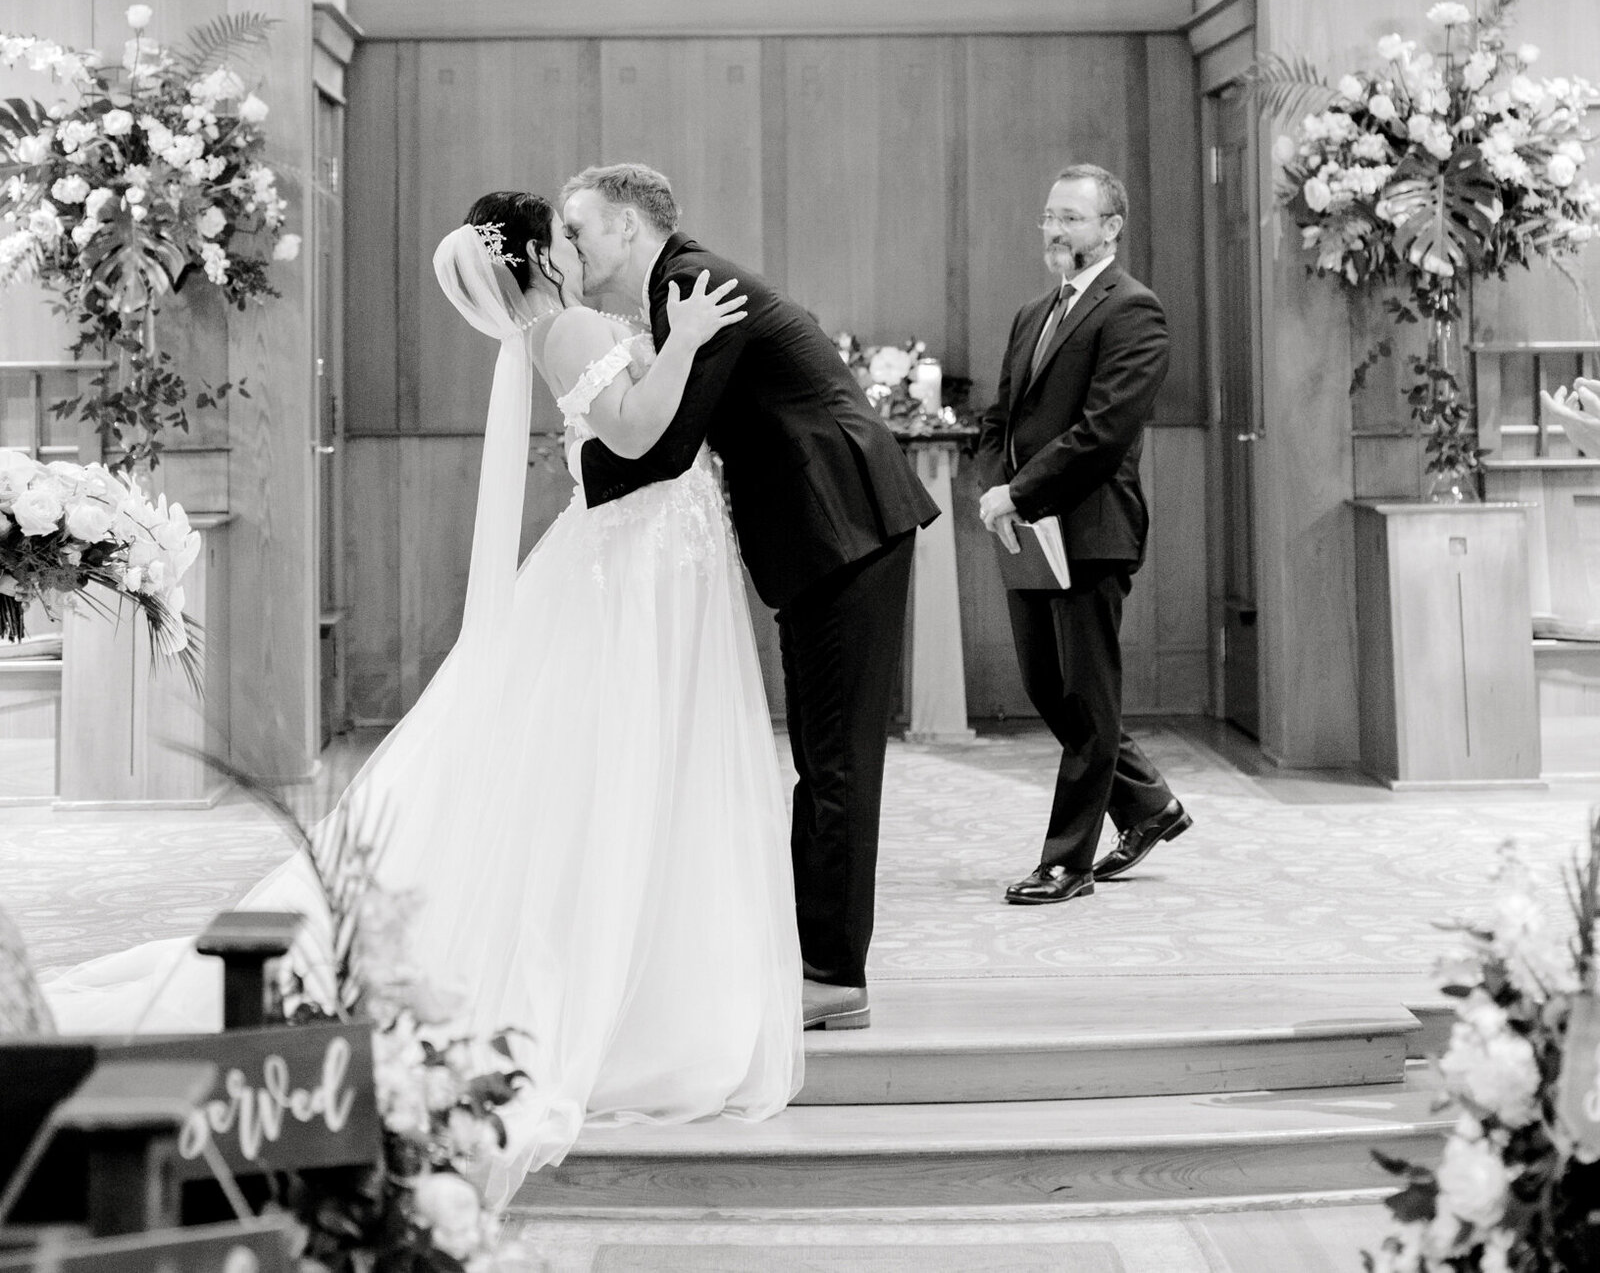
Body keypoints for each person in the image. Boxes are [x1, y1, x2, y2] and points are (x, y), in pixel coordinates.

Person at [46, 190, 803, 1197]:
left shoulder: (559, 328)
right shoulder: (570, 327)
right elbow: (632, 432)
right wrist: (689, 342)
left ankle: (652, 963)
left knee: (625, 766)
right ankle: (631, 990)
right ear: (541, 252)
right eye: (566, 231)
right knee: (622, 763)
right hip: (636, 568)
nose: (579, 242)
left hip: (651, 555)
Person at [559, 163, 939, 1033]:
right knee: (821, 755)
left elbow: (667, 447)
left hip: (847, 527)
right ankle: (816, 959)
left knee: (838, 760)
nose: (570, 246)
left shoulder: (693, 285)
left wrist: (579, 477)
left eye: (579, 228)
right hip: (824, 536)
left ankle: (835, 976)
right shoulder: (676, 291)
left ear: (626, 226)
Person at [976, 163, 1190, 905]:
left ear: (1111, 227)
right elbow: (1000, 418)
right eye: (1049, 216)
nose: (1055, 229)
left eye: (1071, 216)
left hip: (1092, 528)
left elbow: (1104, 432)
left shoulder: (1134, 309)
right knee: (1048, 688)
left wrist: (1020, 491)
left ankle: (1068, 861)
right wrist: (997, 493)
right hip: (1028, 531)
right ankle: (1150, 804)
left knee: (1089, 697)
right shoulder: (1032, 313)